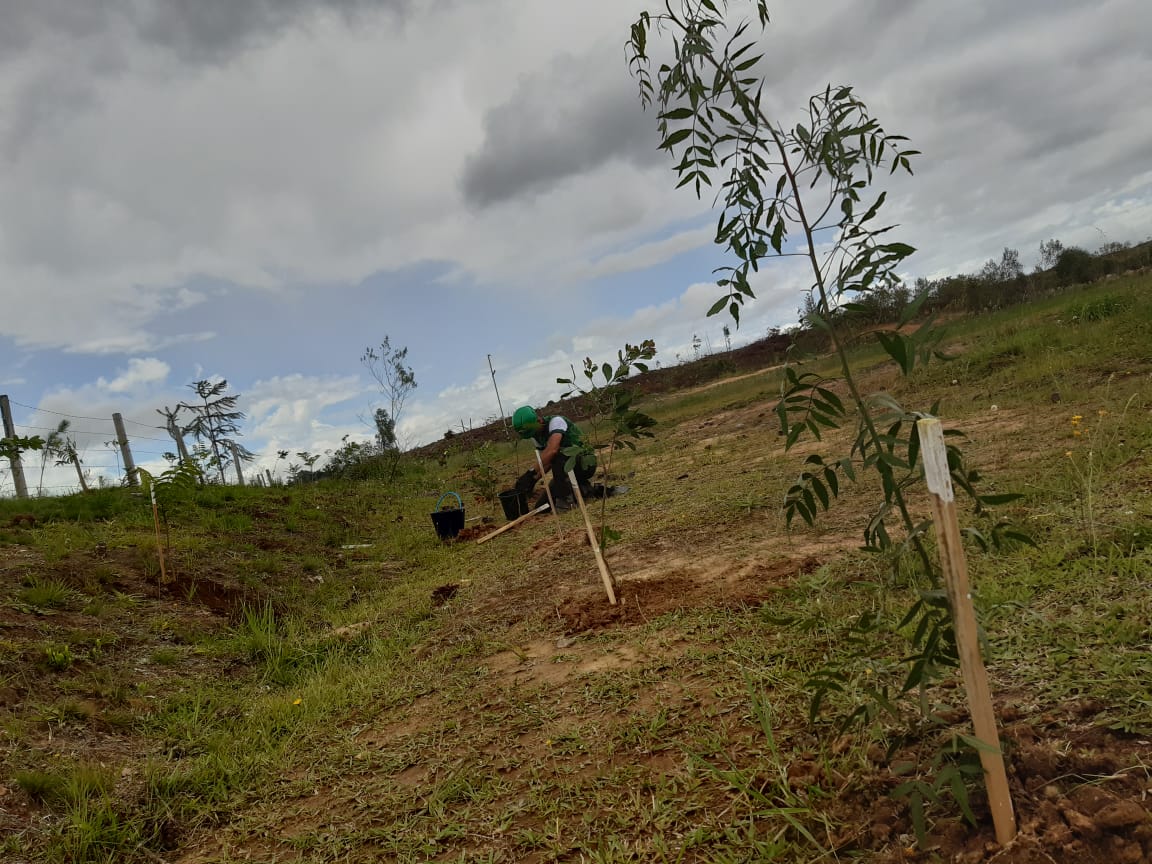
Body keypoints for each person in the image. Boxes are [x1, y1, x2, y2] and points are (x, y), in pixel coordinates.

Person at [511, 405, 596, 511]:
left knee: (558, 454)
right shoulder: (536, 437)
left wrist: (530, 473)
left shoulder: (556, 422)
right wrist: (532, 480)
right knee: (542, 507)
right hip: (566, 470)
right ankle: (587, 490)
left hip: (585, 464)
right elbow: (546, 462)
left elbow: (552, 450)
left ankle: (566, 503)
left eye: (533, 431)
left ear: (538, 420)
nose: (534, 435)